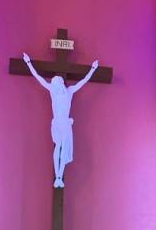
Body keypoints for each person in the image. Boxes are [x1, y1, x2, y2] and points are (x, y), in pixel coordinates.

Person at [23, 53, 99, 188]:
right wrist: (29, 63)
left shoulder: (69, 91)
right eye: (54, 84)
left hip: (64, 123)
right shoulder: (52, 91)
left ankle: (59, 176)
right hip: (57, 123)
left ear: (60, 82)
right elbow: (39, 78)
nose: (55, 85)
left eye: (56, 83)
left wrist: (92, 69)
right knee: (58, 147)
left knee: (63, 149)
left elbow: (83, 82)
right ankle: (57, 176)